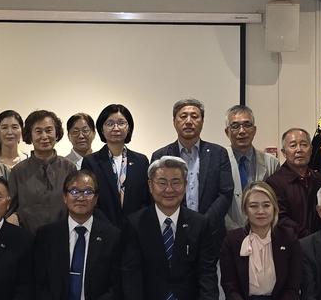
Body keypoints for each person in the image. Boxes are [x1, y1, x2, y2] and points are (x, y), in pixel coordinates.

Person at [122, 156, 220, 300]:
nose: (169, 189)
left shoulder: (200, 223)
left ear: (185, 185)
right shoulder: (135, 223)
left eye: (176, 182)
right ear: (150, 185)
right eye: (162, 183)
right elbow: (131, 272)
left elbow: (207, 271)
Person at [33, 171, 123, 300]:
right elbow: (39, 285)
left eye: (88, 192)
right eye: (74, 191)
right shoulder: (46, 235)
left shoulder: (112, 236)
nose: (81, 198)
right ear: (64, 196)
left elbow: (115, 288)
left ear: (96, 198)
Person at [219, 182, 300, 300]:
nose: (261, 211)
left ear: (274, 208)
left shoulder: (289, 238)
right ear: (245, 210)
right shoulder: (232, 240)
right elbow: (230, 286)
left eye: (266, 205)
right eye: (254, 206)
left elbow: (293, 286)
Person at [151, 98, 234, 232]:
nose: (189, 121)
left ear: (202, 122)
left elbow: (225, 193)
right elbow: (157, 194)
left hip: (211, 232)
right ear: (174, 121)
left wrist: (203, 224)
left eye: (194, 117)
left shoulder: (219, 153)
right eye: (183, 116)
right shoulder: (160, 155)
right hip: (173, 231)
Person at [7, 110, 77, 233]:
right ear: (30, 136)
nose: (44, 136)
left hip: (64, 236)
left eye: (49, 130)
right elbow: (11, 209)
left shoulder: (69, 167)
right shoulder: (19, 171)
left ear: (56, 134)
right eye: (38, 131)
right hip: (29, 238)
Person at [82, 104, 151, 229]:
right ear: (102, 129)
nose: (116, 128)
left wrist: (134, 223)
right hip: (102, 229)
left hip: (136, 229)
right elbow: (89, 198)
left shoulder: (141, 161)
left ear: (129, 127)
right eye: (109, 124)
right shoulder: (91, 162)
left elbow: (145, 199)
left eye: (121, 123)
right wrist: (109, 228)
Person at [225, 105, 281, 230]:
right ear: (227, 132)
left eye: (247, 125)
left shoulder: (271, 163)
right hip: (228, 234)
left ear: (254, 130)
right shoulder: (218, 161)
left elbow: (276, 202)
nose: (242, 131)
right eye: (235, 126)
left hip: (264, 232)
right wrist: (236, 231)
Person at [267, 128, 321, 238]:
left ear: (311, 150)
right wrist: (309, 239)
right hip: (290, 243)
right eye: (293, 145)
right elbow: (280, 219)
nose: (299, 150)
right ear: (284, 152)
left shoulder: (319, 179)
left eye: (304, 145)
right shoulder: (274, 183)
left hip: (319, 243)